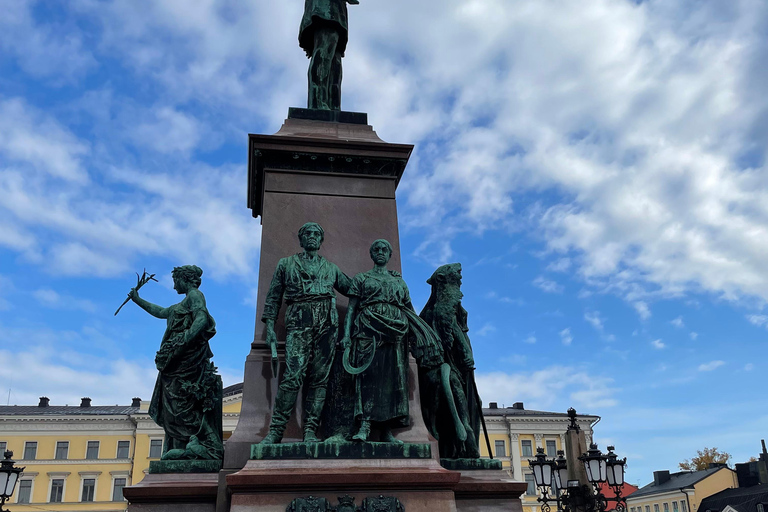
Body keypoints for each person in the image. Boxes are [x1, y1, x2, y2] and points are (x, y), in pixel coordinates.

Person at [341, 239, 442, 443]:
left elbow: (409, 310)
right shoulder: (362, 278)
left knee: (392, 380)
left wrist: (418, 334)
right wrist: (346, 335)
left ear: (389, 255)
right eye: (376, 249)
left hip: (396, 333)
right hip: (367, 330)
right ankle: (365, 425)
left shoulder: (399, 282)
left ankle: (387, 429)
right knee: (368, 378)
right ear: (371, 254)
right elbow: (352, 308)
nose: (380, 252)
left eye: (384, 249)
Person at [261, 222, 351, 444]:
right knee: (293, 376)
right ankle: (275, 431)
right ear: (301, 240)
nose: (312, 237)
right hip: (299, 318)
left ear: (320, 241)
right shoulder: (286, 264)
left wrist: (383, 276)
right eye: (307, 234)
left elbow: (353, 289)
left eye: (316, 234)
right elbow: (273, 296)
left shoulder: (331, 268)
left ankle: (310, 430)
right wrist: (270, 327)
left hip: (327, 322)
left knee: (320, 379)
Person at [129, 265, 223, 460]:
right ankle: (187, 446)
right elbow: (161, 311)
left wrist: (184, 340)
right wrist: (137, 300)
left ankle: (207, 443)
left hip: (187, 361)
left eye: (175, 281)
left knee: (182, 403)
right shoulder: (185, 301)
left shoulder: (195, 296)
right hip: (176, 362)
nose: (174, 287)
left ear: (184, 279)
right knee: (175, 403)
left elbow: (202, 318)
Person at [299, 0, 361, 110]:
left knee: (335, 63)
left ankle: (333, 105)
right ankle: (317, 103)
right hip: (325, 9)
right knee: (324, 52)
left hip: (335, 9)